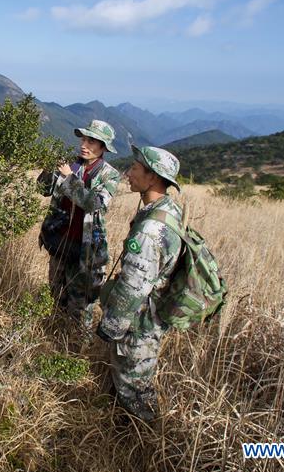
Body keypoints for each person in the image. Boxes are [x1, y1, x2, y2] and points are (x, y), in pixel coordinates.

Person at [96, 145, 183, 421]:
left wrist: (110, 327)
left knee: (134, 389)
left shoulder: (149, 231)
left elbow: (133, 287)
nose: (129, 172)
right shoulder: (167, 210)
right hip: (151, 315)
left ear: (153, 177)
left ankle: (145, 441)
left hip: (139, 323)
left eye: (135, 168)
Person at [39, 120, 120, 334]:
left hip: (85, 253)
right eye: (83, 139)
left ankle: (77, 350)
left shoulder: (109, 175)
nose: (84, 144)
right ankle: (54, 341)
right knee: (56, 298)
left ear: (103, 148)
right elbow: (43, 190)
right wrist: (49, 169)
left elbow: (94, 204)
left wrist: (68, 178)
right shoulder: (70, 164)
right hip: (60, 244)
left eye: (91, 141)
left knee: (81, 309)